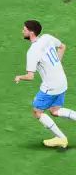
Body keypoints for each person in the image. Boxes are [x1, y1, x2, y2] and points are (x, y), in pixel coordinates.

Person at [16, 20, 73, 149]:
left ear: (31, 32)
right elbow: (62, 46)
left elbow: (30, 76)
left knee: (37, 111)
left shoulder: (32, 51)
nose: (22, 31)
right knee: (55, 110)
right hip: (62, 81)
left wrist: (19, 77)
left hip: (50, 86)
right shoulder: (47, 37)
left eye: (24, 29)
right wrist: (56, 65)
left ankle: (61, 138)